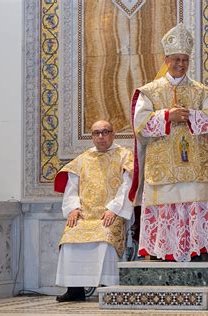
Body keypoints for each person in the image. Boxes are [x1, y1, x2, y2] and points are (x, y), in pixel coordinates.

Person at [129, 23, 208, 262]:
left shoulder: (202, 92)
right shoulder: (149, 92)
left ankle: (196, 252)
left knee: (194, 207)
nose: (180, 64)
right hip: (164, 167)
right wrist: (166, 117)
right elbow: (139, 126)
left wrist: (192, 116)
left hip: (195, 166)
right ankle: (165, 253)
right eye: (176, 59)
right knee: (166, 209)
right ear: (166, 59)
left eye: (184, 59)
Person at [53, 120, 134, 302]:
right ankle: (74, 289)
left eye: (105, 132)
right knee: (69, 238)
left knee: (105, 238)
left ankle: (109, 286)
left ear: (113, 134)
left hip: (110, 214)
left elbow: (127, 187)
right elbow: (72, 188)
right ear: (92, 137)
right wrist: (73, 208)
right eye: (97, 133)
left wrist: (114, 209)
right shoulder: (82, 159)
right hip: (85, 216)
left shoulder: (124, 156)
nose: (101, 137)